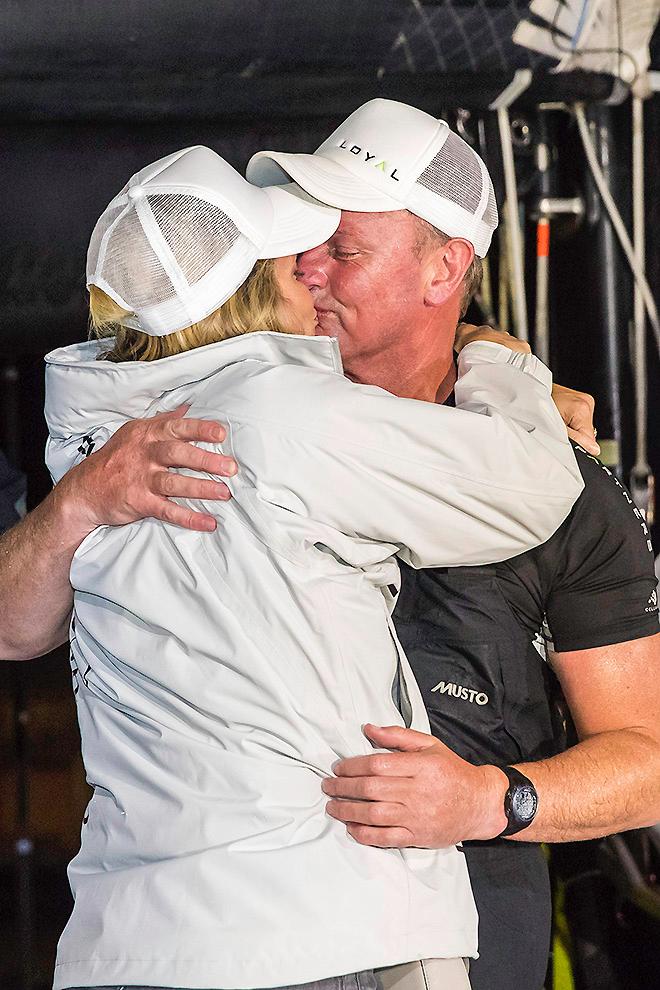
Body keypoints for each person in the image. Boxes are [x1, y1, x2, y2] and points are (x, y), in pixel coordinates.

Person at [43, 144, 582, 990]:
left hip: (127, 941)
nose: (312, 273)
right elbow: (536, 485)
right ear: (251, 293)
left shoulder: (90, 439)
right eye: (293, 262)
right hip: (312, 926)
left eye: (335, 253)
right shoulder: (283, 414)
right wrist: (503, 363)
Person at [245, 99, 660, 989]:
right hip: (247, 936)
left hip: (464, 943)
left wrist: (486, 798)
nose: (308, 272)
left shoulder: (565, 493)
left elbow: (646, 762)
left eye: (344, 251)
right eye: (302, 247)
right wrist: (86, 493)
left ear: (444, 270)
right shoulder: (233, 440)